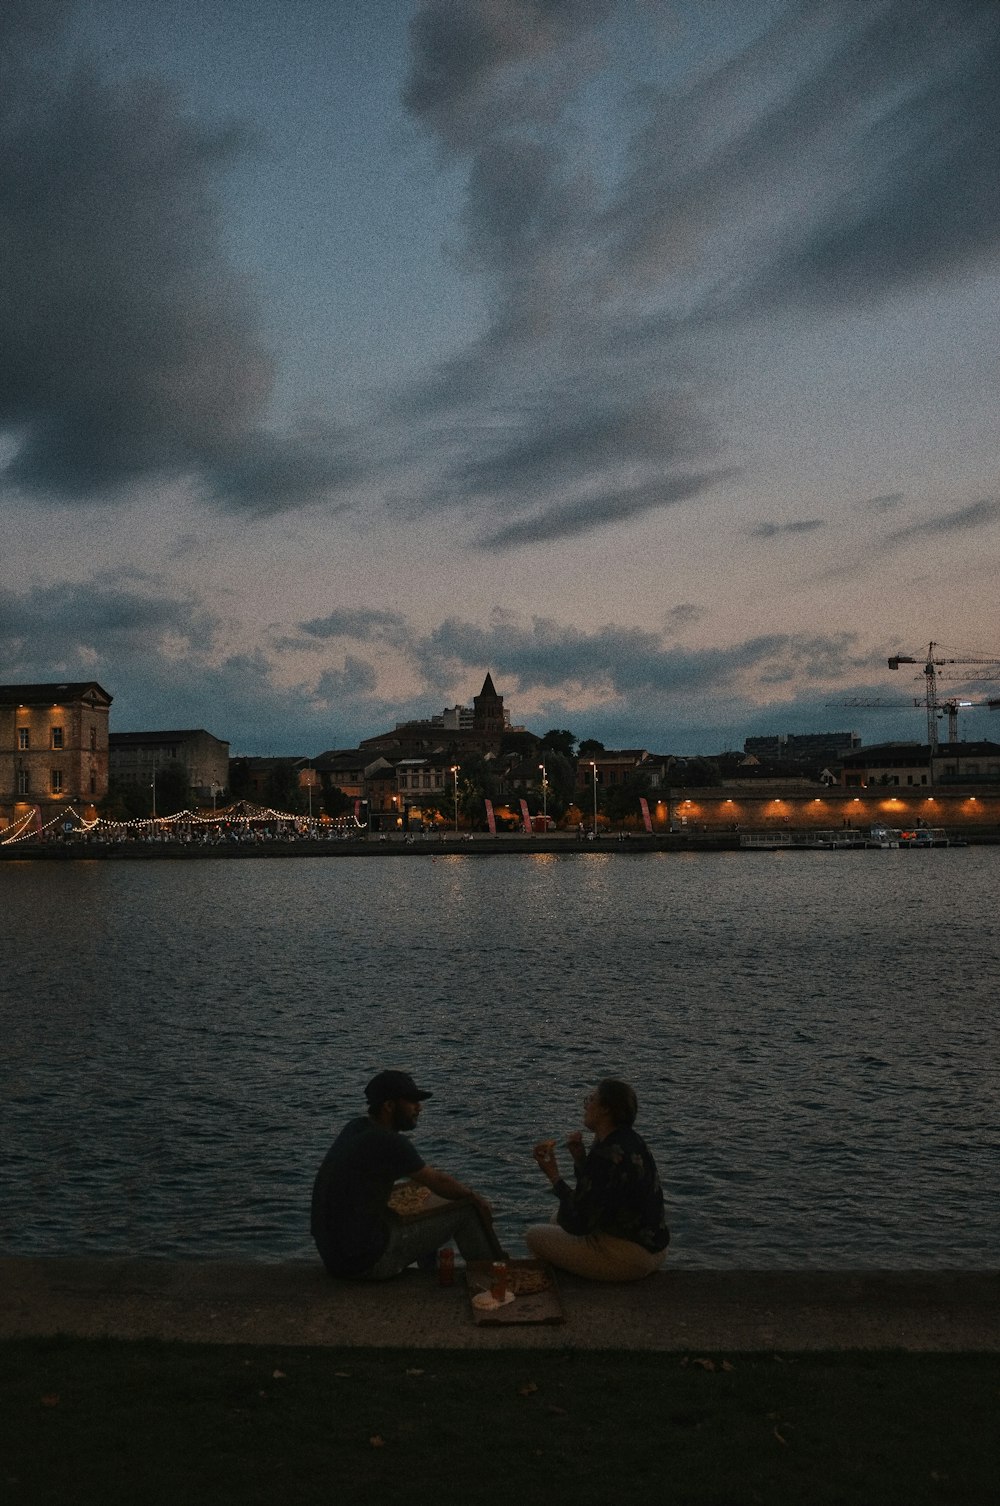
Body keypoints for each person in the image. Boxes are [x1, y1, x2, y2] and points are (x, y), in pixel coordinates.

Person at [311, 1069, 506, 1279]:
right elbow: (438, 1181)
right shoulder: (390, 1142)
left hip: (335, 1259)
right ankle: (495, 1278)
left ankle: (429, 1276)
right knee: (467, 1210)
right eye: (412, 1102)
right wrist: (475, 1197)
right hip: (366, 1264)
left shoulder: (355, 1127)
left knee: (419, 1208)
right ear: (389, 1106)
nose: (419, 1108)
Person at [525, 1078, 669, 1281]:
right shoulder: (630, 1140)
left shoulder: (606, 1153)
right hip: (654, 1249)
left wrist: (554, 1176)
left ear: (605, 1110)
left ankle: (552, 1285)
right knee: (555, 1220)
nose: (586, 1105)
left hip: (628, 1258)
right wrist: (581, 1161)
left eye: (591, 1099)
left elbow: (579, 1222)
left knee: (534, 1236)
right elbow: (600, 1195)